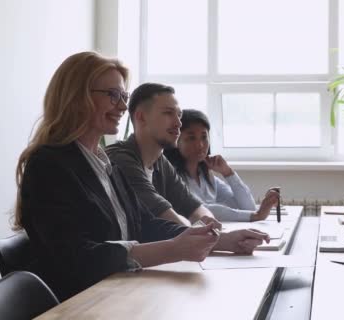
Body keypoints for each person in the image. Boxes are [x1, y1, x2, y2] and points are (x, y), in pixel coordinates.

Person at [15, 52, 269, 301]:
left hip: (114, 293)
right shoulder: (49, 165)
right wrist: (172, 249)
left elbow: (142, 224)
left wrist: (219, 240)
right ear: (77, 97)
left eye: (123, 96)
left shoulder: (103, 162)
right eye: (113, 95)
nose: (123, 106)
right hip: (80, 303)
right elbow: (75, 258)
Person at [106, 84, 279, 223]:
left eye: (179, 115)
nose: (178, 123)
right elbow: (167, 216)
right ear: (141, 117)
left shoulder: (160, 162)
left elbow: (195, 207)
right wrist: (212, 235)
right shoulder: (121, 159)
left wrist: (210, 227)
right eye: (168, 113)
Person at [164, 109, 279, 222]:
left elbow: (248, 207)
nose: (200, 145)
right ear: (176, 141)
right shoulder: (172, 177)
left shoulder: (205, 175)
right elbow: (200, 210)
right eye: (191, 138)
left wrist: (228, 173)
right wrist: (256, 216)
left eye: (204, 137)